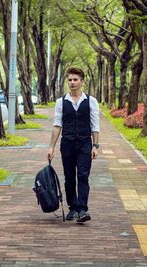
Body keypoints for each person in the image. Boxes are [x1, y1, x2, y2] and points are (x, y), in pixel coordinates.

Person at [47, 67, 100, 223]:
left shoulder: (91, 101)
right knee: (69, 178)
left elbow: (95, 126)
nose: (72, 82)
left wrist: (95, 146)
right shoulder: (61, 102)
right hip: (67, 143)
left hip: (85, 143)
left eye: (75, 80)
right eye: (70, 80)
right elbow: (57, 125)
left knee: (83, 176)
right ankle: (72, 208)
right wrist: (51, 147)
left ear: (82, 81)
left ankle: (82, 209)